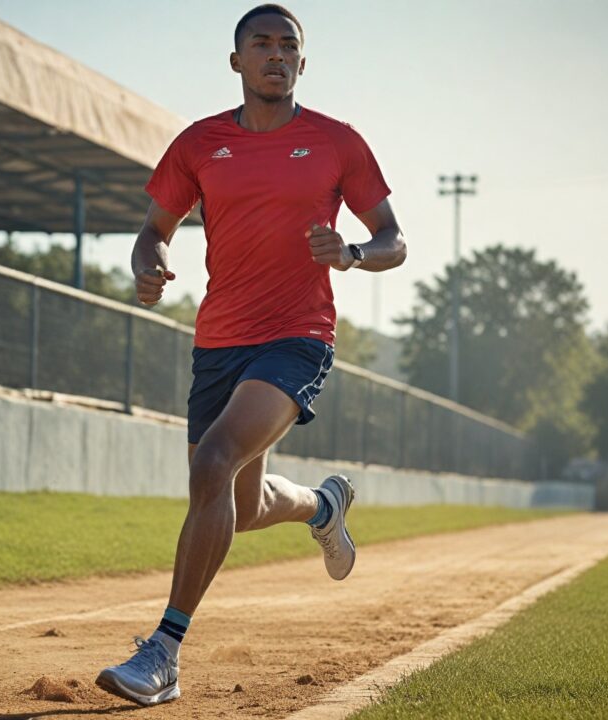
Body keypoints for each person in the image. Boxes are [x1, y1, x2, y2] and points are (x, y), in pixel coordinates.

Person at [96, 3, 406, 706]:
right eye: (260, 44)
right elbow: (155, 228)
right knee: (243, 498)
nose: (274, 54)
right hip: (218, 341)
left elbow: (393, 236)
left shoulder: (337, 142)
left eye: (287, 45)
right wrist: (150, 264)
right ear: (235, 61)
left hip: (298, 335)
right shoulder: (200, 144)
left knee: (212, 462)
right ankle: (323, 507)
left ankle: (164, 653)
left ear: (303, 62)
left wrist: (354, 253)